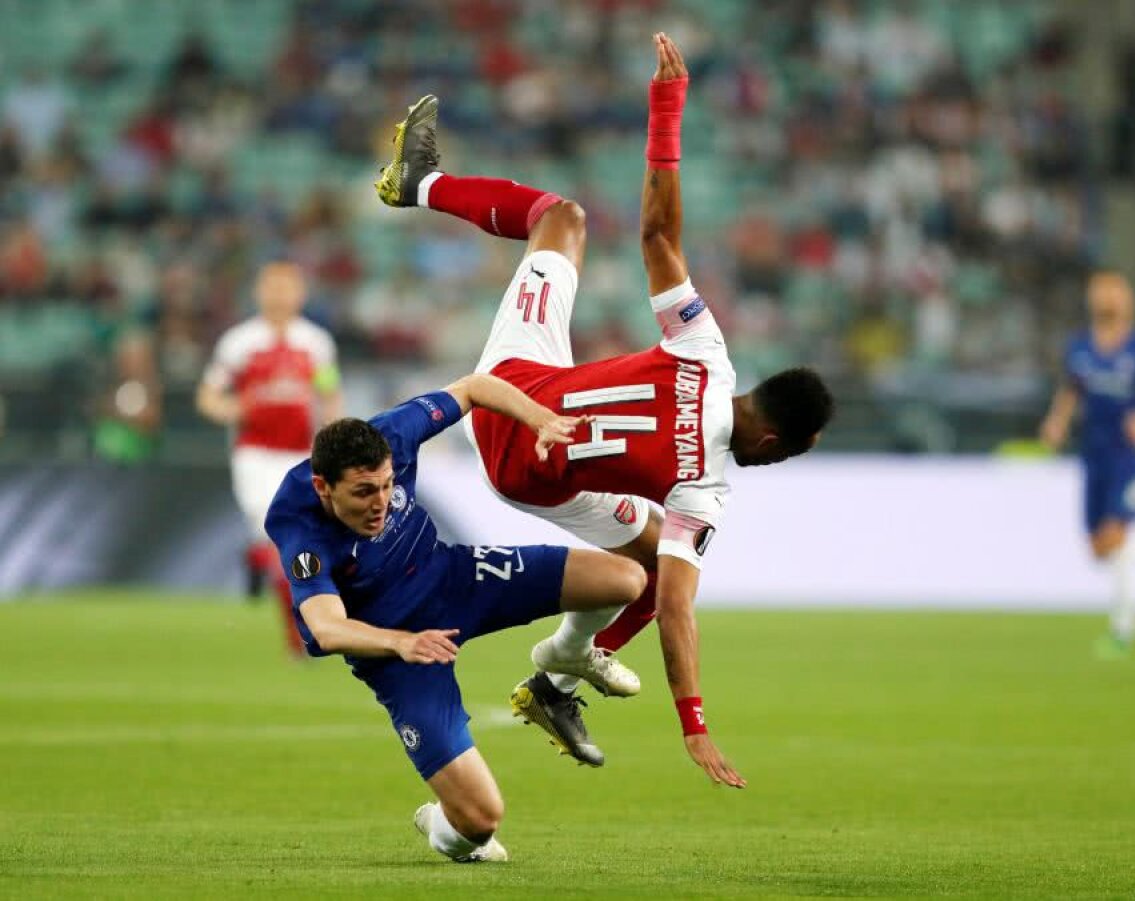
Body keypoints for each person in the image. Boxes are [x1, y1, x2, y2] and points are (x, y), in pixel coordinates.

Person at [374, 33, 834, 787]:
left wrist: (665, 110)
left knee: (562, 218)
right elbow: (680, 610)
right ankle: (560, 676)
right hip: (521, 467)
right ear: (774, 438)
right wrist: (695, 725)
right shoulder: (704, 488)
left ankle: (420, 184)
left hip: (511, 379)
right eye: (784, 454)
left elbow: (656, 233)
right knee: (656, 566)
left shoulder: (706, 349)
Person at [264, 375, 645, 863]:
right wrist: (401, 643)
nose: (380, 502)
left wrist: (539, 419)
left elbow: (475, 386)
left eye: (386, 485)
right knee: (481, 822)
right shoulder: (298, 526)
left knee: (625, 580)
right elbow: (326, 627)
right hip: (399, 647)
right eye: (363, 493)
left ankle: (561, 663)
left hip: (453, 575)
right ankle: (440, 823)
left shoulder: (392, 434)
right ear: (323, 487)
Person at [196, 261, 343, 656]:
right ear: (258, 293)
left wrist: (336, 440)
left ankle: (256, 562)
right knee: (277, 535)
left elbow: (328, 395)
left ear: (300, 294)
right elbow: (209, 396)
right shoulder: (239, 343)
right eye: (271, 287)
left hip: (301, 454)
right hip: (256, 454)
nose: (279, 294)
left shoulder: (316, 343)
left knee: (300, 540)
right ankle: (297, 636)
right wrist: (235, 409)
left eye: (287, 287)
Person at [1040, 270, 1135, 657]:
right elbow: (1071, 391)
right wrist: (1057, 422)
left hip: (1129, 458)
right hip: (1094, 455)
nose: (1104, 297)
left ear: (1127, 300)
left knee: (1115, 535)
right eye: (1099, 290)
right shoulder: (1080, 348)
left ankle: (1123, 631)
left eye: (1112, 291)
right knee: (1098, 548)